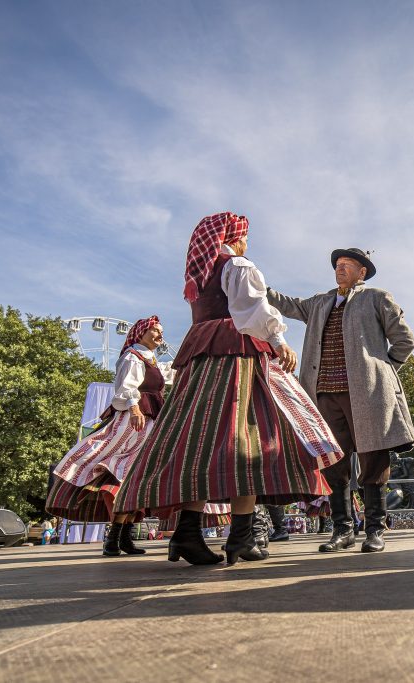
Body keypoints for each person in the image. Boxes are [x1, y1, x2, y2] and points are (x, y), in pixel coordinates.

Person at [115, 212, 341, 566]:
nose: (247, 242)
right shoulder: (237, 265)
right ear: (235, 236)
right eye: (245, 235)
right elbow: (251, 310)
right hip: (237, 357)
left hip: (201, 361)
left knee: (200, 443)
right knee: (249, 439)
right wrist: (279, 340)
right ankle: (239, 537)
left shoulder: (200, 275)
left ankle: (188, 534)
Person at [268, 247, 414, 554]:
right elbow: (286, 304)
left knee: (373, 460)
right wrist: (256, 285)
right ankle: (343, 530)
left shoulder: (376, 297)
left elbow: (405, 340)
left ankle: (375, 529)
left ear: (362, 272)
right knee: (334, 464)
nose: (340, 268)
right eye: (337, 264)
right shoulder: (319, 302)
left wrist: (381, 372)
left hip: (366, 393)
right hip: (323, 394)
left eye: (347, 264)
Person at [46, 316, 169, 557]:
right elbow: (126, 387)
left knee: (134, 473)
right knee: (123, 467)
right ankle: (114, 537)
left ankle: (123, 537)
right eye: (155, 330)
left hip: (149, 419)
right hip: (135, 419)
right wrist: (134, 409)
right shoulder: (133, 356)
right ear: (140, 333)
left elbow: (169, 374)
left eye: (161, 331)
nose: (159, 335)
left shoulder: (151, 359)